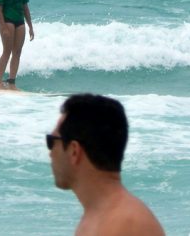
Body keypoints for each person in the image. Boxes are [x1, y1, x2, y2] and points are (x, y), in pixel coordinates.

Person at [46, 94, 165, 235]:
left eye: (51, 142)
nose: (50, 153)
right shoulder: (98, 218)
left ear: (74, 151)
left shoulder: (125, 224)